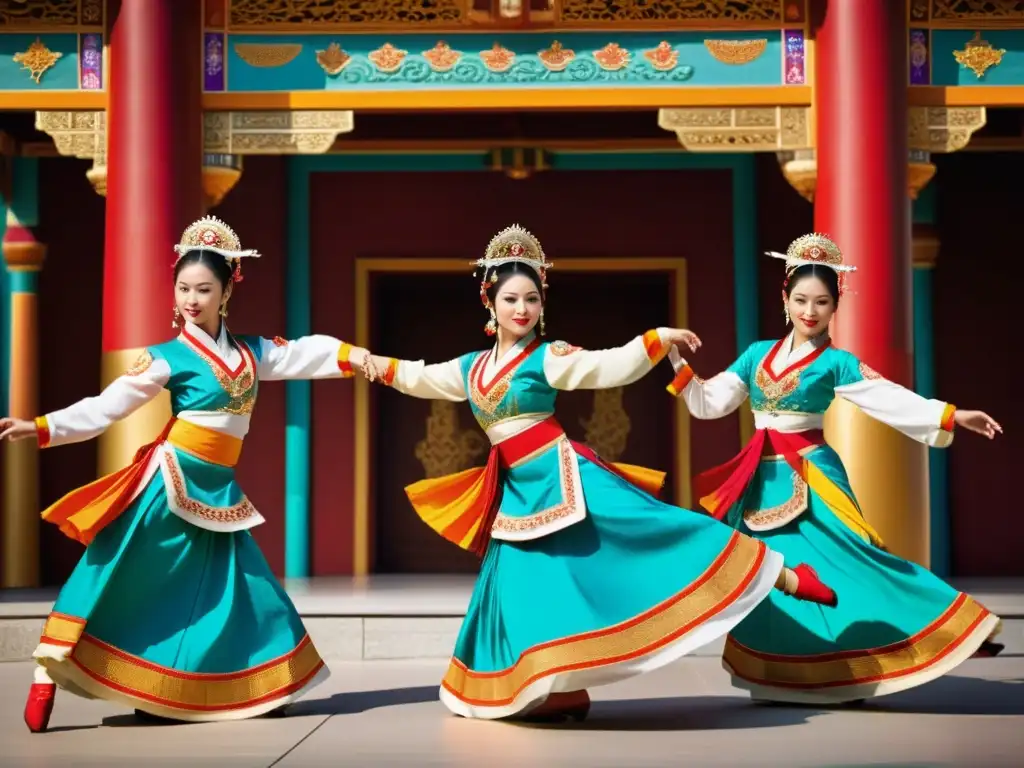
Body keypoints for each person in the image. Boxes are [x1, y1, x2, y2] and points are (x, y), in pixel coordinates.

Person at [353, 224, 839, 722]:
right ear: (489, 301)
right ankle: (553, 686)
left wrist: (654, 341)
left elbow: (607, 366)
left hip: (568, 480)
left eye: (532, 299)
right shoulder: (471, 369)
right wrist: (369, 363)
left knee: (664, 529)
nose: (522, 310)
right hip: (518, 493)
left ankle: (787, 576)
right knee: (519, 590)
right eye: (511, 299)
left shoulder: (549, 357)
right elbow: (419, 377)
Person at [0, 216, 367, 732]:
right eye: (183, 288)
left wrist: (362, 359)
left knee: (250, 589)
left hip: (219, 490)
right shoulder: (166, 357)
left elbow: (306, 353)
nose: (191, 299)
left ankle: (259, 685)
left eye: (203, 289)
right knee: (114, 575)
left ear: (226, 292)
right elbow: (106, 408)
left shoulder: (250, 353)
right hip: (168, 484)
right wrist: (40, 426)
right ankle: (46, 667)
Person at [665, 232, 1004, 706]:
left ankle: (943, 626)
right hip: (760, 482)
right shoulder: (755, 354)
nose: (810, 311)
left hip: (813, 474)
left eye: (822, 302)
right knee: (773, 576)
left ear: (835, 305)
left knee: (852, 561)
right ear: (784, 297)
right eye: (801, 299)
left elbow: (889, 398)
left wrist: (950, 415)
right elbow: (709, 403)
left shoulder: (838, 363)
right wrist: (675, 363)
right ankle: (782, 673)